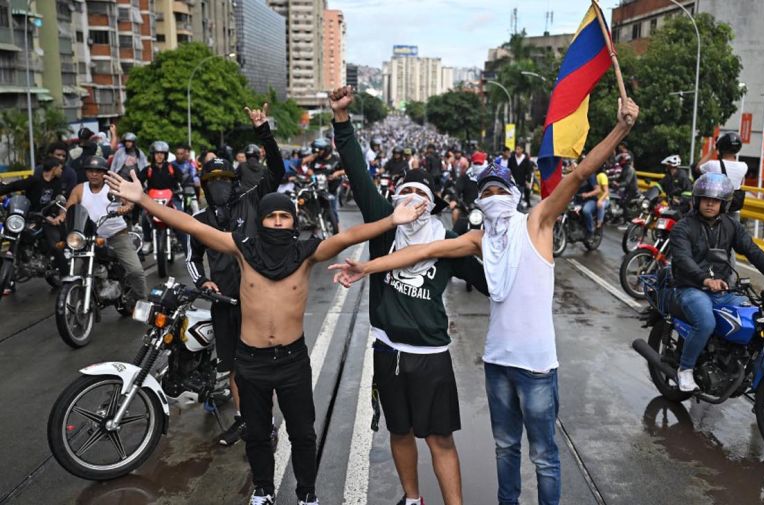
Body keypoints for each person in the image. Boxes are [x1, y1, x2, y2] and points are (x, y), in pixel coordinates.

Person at [331, 98, 641, 505]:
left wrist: (620, 130)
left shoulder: (522, 226)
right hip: (461, 360)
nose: (493, 196)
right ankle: (417, 498)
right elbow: (414, 245)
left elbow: (579, 174)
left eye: (500, 189)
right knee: (479, 444)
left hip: (491, 361)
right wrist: (364, 267)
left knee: (535, 454)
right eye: (486, 190)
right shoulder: (426, 234)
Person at [105, 154, 428, 505]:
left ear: (292, 221)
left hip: (292, 360)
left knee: (303, 433)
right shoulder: (243, 249)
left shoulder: (307, 253)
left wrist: (392, 219)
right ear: (261, 220)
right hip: (251, 359)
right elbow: (194, 227)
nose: (277, 222)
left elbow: (350, 235)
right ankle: (262, 490)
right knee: (257, 434)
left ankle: (306, 494)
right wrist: (143, 200)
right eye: (271, 216)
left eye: (284, 216)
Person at [330, 86, 488, 505]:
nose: (413, 199)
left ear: (432, 205)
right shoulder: (384, 231)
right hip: (387, 351)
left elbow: (492, 282)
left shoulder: (447, 241)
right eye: (406, 193)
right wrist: (342, 120)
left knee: (439, 437)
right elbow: (357, 173)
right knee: (398, 431)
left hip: (431, 357)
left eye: (422, 194)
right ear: (395, 200)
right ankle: (412, 498)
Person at [186, 103, 288, 446]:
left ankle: (268, 424)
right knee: (234, 368)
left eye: (225, 180)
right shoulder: (199, 220)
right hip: (223, 303)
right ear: (203, 184)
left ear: (235, 181)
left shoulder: (250, 201)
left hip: (255, 300)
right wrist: (203, 282)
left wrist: (263, 131)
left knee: (259, 367)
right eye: (212, 181)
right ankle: (246, 421)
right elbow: (191, 257)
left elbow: (277, 170)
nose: (219, 186)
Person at [668, 173, 764, 392]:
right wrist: (705, 279)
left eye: (715, 200)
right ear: (697, 200)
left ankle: (745, 369)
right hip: (691, 287)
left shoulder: (731, 226)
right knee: (706, 322)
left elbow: (753, 251)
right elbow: (682, 259)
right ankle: (685, 369)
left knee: (760, 320)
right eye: (705, 198)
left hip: (723, 289)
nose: (710, 203)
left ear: (724, 204)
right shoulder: (683, 227)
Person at [64, 156, 146, 307]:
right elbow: (69, 209)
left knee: (135, 271)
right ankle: (73, 304)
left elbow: (129, 202)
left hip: (116, 235)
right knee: (74, 269)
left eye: (98, 171)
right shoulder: (79, 189)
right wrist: (61, 216)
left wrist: (126, 207)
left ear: (104, 173)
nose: (94, 174)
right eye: (90, 171)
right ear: (86, 172)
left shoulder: (113, 187)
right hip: (88, 237)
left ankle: (143, 303)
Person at [0, 157, 69, 287]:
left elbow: (60, 203)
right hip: (28, 217)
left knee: (55, 247)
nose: (61, 170)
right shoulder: (34, 180)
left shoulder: (57, 183)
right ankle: (10, 281)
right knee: (13, 238)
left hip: (47, 219)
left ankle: (67, 279)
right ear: (54, 169)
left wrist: (57, 216)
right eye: (60, 168)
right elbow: (15, 186)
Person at [138, 141, 186, 253]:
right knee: (144, 216)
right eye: (156, 153)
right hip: (152, 200)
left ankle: (183, 242)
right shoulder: (148, 170)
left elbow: (182, 180)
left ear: (166, 155)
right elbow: (138, 182)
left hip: (171, 199)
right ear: (152, 155)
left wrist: (185, 187)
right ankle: (147, 240)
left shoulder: (172, 168)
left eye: (162, 153)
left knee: (180, 215)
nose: (159, 156)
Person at [508, 144, 532, 209]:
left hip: (522, 182)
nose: (517, 150)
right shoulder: (511, 159)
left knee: (519, 196)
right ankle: (515, 210)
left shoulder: (526, 160)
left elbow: (529, 171)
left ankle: (517, 211)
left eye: (518, 149)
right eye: (516, 149)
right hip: (512, 182)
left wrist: (528, 181)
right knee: (513, 197)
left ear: (522, 150)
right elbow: (509, 169)